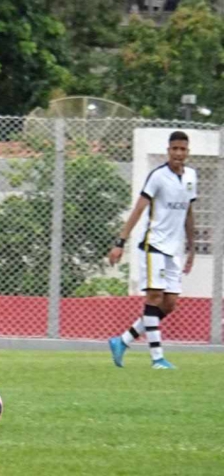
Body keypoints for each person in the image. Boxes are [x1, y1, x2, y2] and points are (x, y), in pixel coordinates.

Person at [108, 130, 196, 370]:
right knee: (154, 297)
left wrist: (192, 247)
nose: (178, 153)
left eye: (183, 149)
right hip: (153, 246)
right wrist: (120, 242)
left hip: (174, 250)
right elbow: (138, 209)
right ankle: (157, 358)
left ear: (187, 152)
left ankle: (122, 340)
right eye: (174, 148)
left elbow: (188, 212)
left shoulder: (191, 176)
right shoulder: (157, 177)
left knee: (169, 304)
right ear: (168, 151)